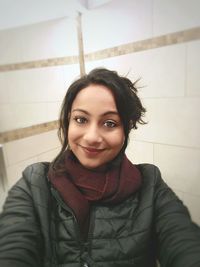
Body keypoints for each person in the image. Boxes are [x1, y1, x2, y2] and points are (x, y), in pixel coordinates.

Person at [0, 68, 200, 267]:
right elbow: (13, 246)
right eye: (81, 119)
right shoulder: (34, 182)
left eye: (110, 123)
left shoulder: (151, 186)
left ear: (126, 130)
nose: (92, 137)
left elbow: (183, 242)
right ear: (68, 121)